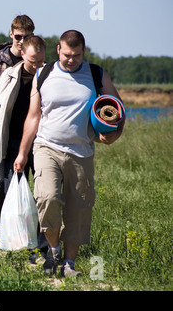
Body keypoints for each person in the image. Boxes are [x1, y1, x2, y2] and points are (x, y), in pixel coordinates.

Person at [14, 30, 125, 277]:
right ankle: (53, 251)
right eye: (66, 54)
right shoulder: (44, 73)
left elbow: (118, 109)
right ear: (58, 49)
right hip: (47, 147)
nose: (71, 60)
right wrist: (22, 153)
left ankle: (69, 263)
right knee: (47, 198)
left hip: (81, 152)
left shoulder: (96, 74)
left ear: (83, 52)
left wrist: (113, 135)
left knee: (79, 207)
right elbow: (33, 117)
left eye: (76, 55)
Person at [0, 35, 48, 255]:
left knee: (43, 192)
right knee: (5, 187)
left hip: (41, 143)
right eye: (32, 61)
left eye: (41, 61)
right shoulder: (9, 75)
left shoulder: (49, 76)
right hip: (11, 141)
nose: (37, 66)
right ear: (22, 54)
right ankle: (1, 235)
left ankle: (39, 246)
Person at [0, 15, 35, 233]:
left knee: (16, 183)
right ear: (11, 34)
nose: (21, 41)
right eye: (18, 36)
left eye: (26, 37)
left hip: (21, 133)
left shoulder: (35, 62)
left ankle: (13, 233)